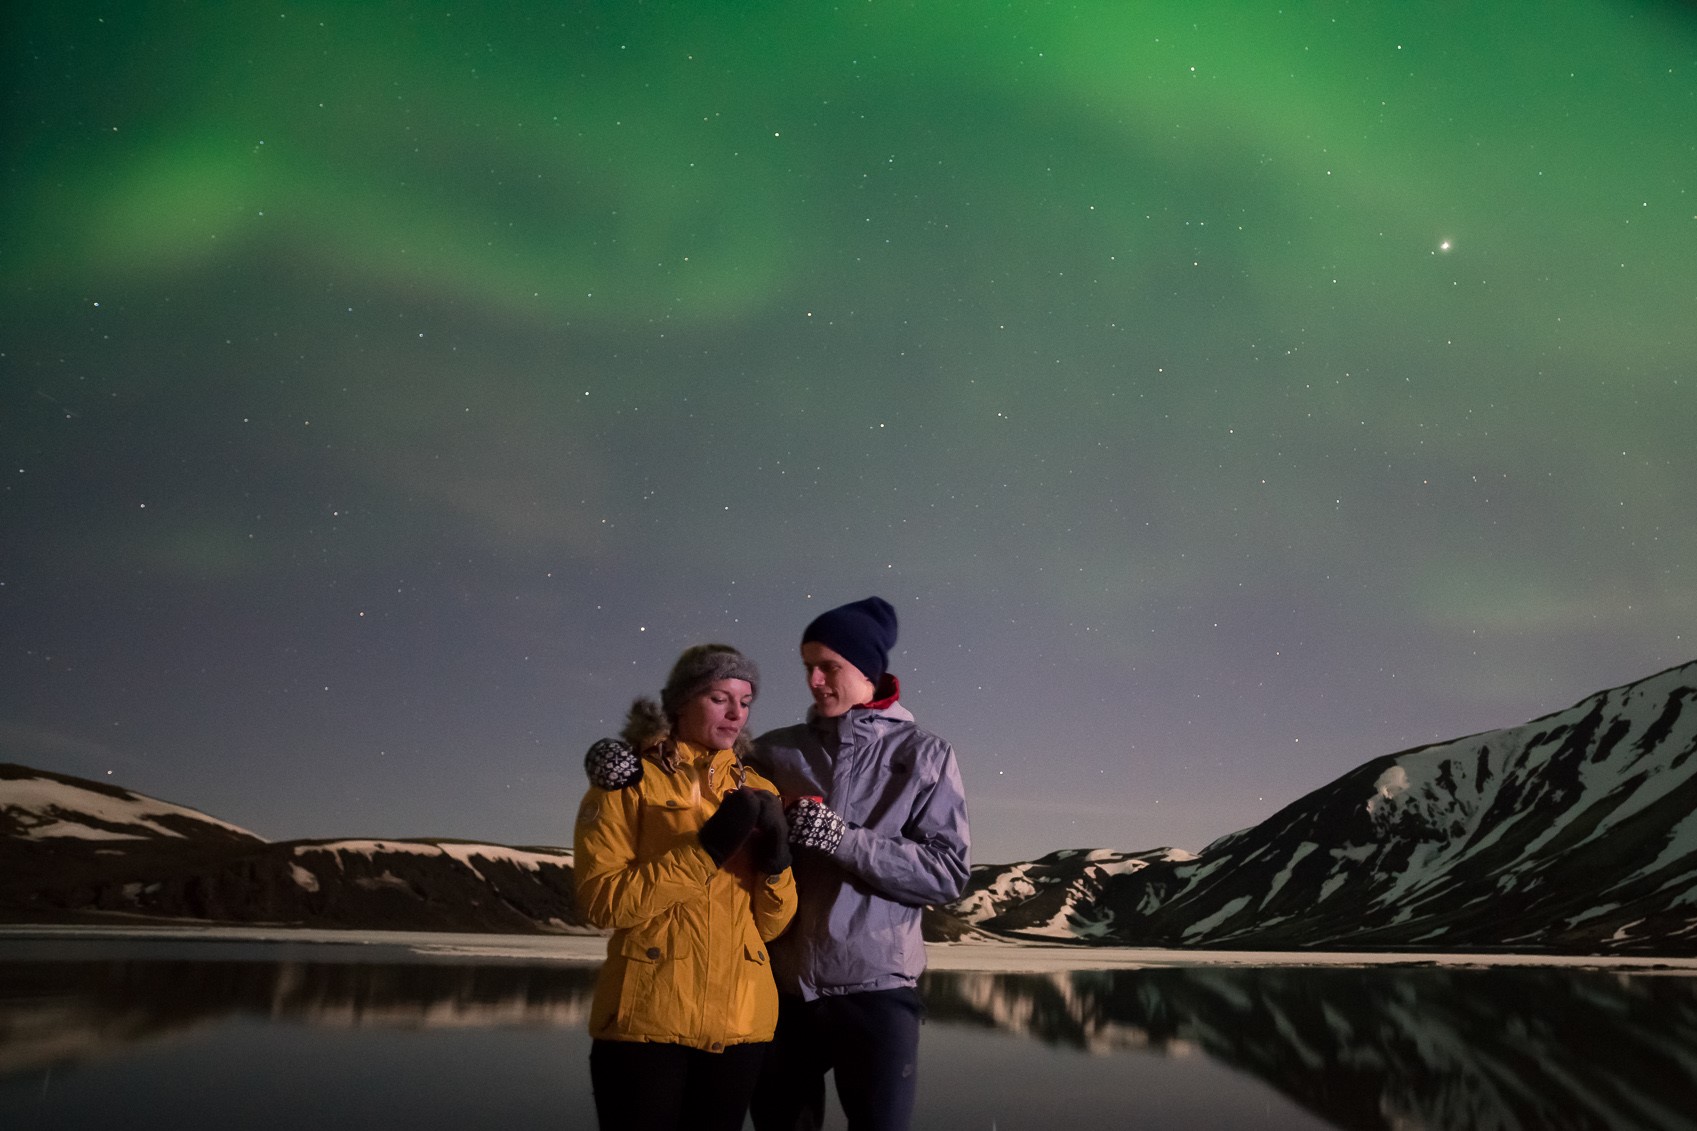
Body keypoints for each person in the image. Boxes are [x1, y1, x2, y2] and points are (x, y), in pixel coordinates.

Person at [746, 597, 971, 1131]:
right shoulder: (775, 753)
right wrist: (641, 753)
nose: (815, 681)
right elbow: (696, 772)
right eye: (807, 668)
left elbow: (947, 873)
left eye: (830, 667)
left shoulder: (926, 755)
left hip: (878, 994)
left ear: (867, 669)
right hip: (780, 989)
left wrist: (841, 838)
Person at [574, 643, 799, 1131]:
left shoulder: (760, 788)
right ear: (680, 702)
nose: (736, 712)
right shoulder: (630, 778)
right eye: (720, 697)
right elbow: (602, 901)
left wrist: (778, 867)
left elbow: (773, 925)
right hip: (646, 1022)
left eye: (745, 700)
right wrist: (706, 850)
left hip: (741, 1025)